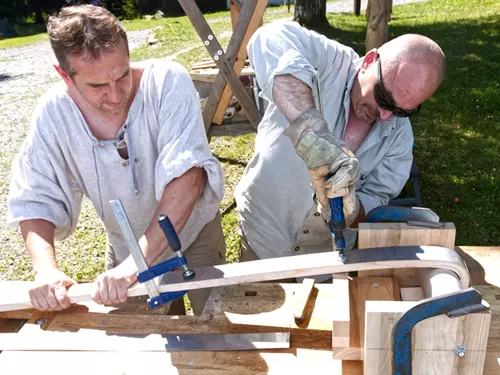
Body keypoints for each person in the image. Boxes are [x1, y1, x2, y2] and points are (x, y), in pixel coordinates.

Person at [7, 5, 226, 315]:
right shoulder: (53, 114)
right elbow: (35, 196)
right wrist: (45, 270)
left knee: (219, 332)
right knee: (144, 353)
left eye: (122, 75)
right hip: (126, 247)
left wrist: (137, 263)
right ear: (63, 75)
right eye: (97, 86)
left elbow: (189, 177)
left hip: (194, 234)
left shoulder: (165, 82)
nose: (115, 95)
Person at [235, 20, 445, 263]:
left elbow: (377, 197)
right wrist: (310, 132)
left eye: (403, 111)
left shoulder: (399, 137)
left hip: (327, 256)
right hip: (264, 234)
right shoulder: (329, 62)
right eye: (383, 98)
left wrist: (352, 210)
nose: (386, 116)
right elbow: (267, 36)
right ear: (368, 62)